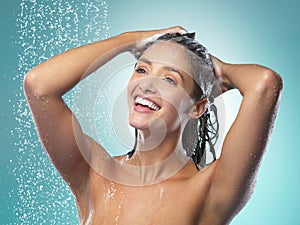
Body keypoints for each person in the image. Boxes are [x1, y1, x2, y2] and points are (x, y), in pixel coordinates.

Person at [24, 26, 283, 225]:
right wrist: (130, 40)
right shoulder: (96, 173)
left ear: (197, 107)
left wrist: (217, 71)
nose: (146, 85)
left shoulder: (210, 190)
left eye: (170, 80)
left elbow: (265, 83)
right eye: (142, 70)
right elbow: (39, 86)